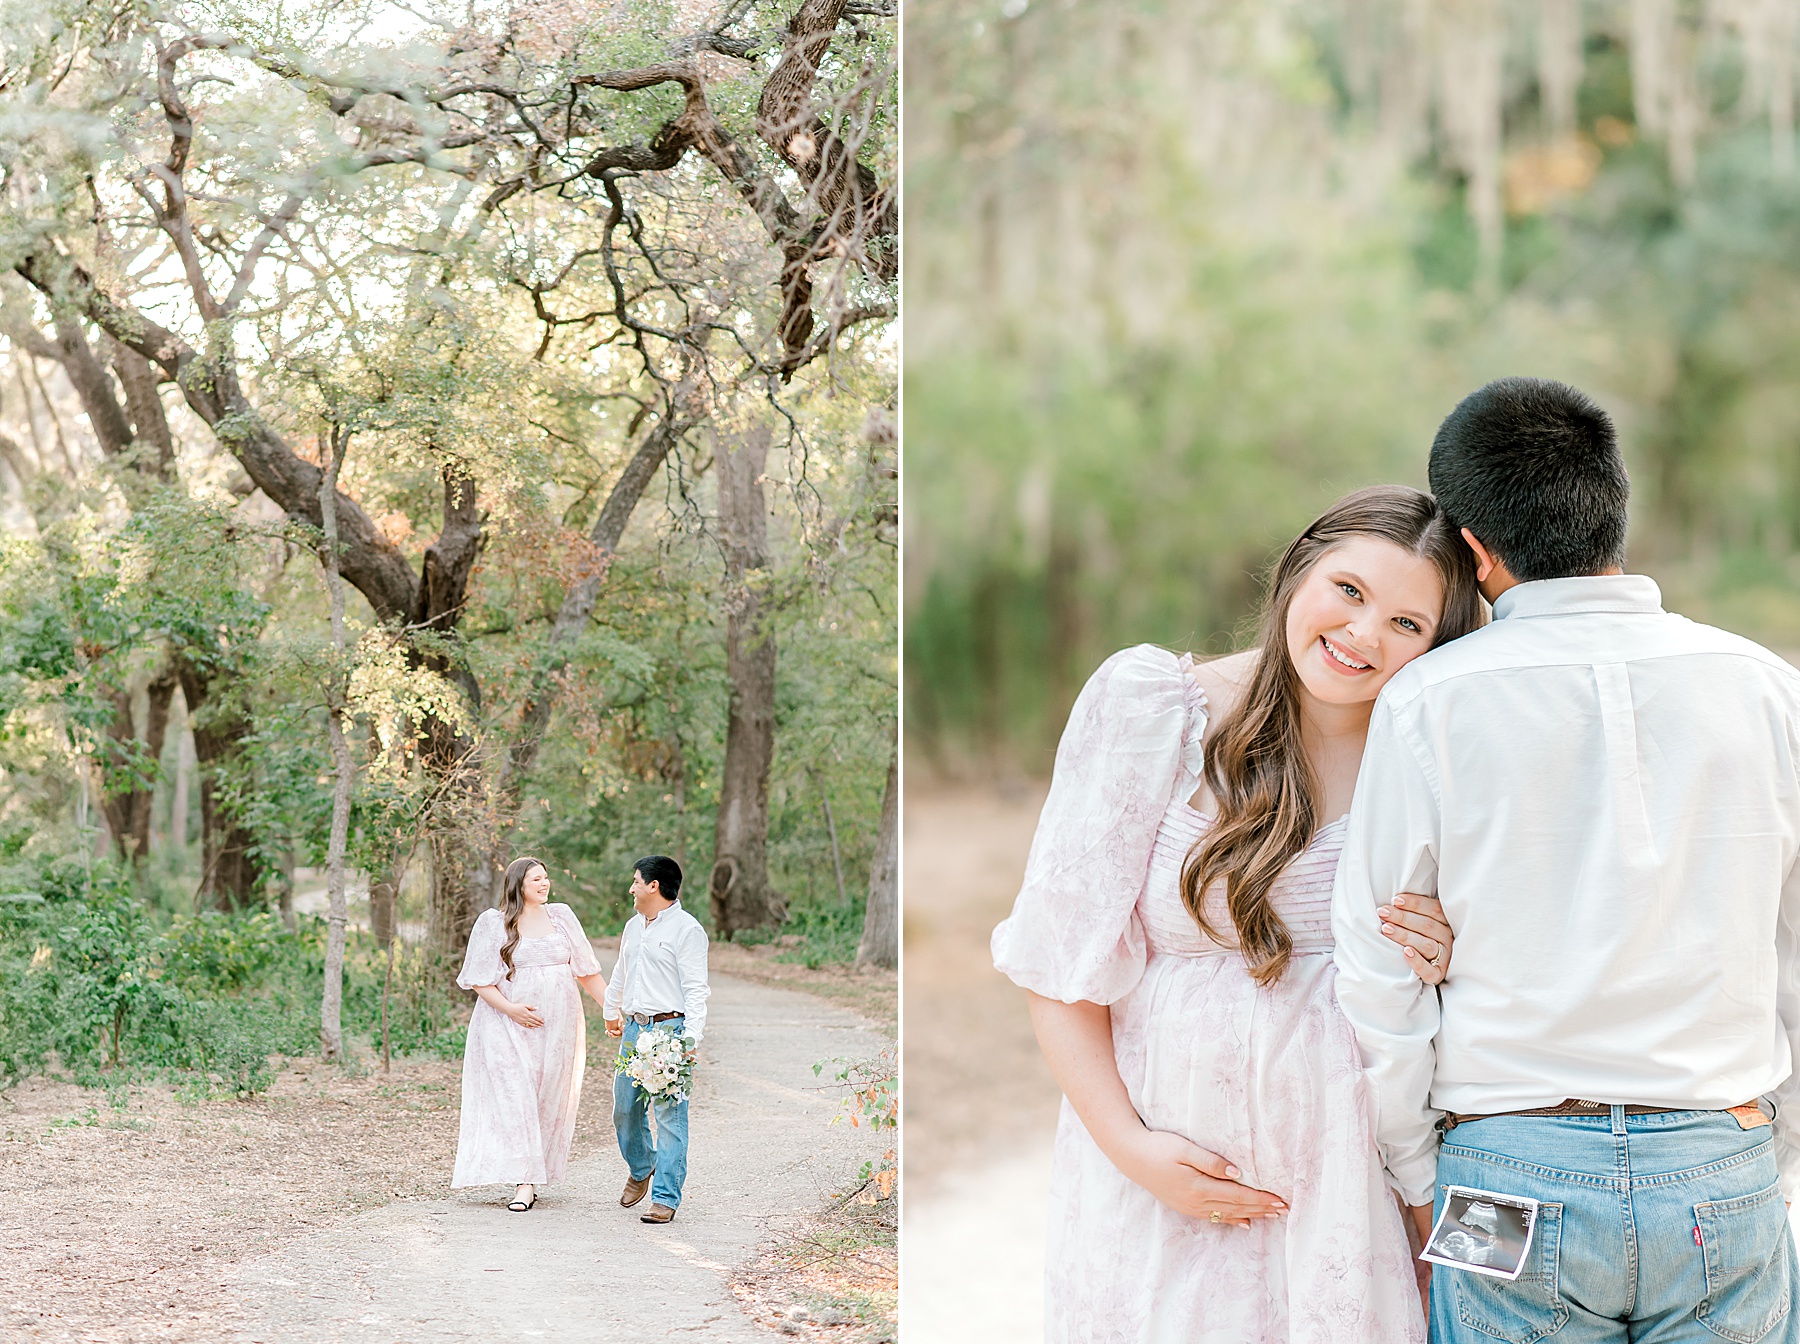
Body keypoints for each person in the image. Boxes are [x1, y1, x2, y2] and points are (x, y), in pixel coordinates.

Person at [1332, 377, 1800, 1344]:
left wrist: (1419, 1172)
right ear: (1614, 509)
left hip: (1501, 1172)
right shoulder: (1768, 691)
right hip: (1723, 1162)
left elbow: (1376, 962)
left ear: (1471, 550)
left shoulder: (1428, 703)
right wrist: (1768, 1138)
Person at [991, 484, 1483, 1343]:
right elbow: (1059, 966)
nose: (1363, 635)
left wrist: (1450, 950)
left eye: (1407, 624)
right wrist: (1133, 1152)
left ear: (1437, 645)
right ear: (1301, 569)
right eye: (1350, 591)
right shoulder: (1154, 708)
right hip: (1167, 1177)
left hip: (1355, 1189)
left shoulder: (1436, 753)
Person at [452, 855, 609, 1211]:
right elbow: (479, 979)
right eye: (536, 879)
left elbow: (586, 971)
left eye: (546, 878)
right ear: (518, 884)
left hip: (558, 1025)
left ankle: (533, 1178)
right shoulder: (494, 923)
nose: (544, 883)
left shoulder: (562, 916)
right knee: (515, 1094)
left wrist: (613, 1010)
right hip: (504, 1023)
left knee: (546, 1098)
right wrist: (511, 1010)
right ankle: (523, 1183)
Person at [603, 854, 711, 1225]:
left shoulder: (687, 929)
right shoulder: (633, 926)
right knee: (624, 1107)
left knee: (669, 1117)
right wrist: (610, 1008)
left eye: (636, 881)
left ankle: (665, 1197)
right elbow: (622, 970)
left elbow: (697, 989)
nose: (630, 888)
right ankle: (641, 1165)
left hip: (670, 1030)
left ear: (654, 885)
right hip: (634, 1030)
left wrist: (690, 1038)